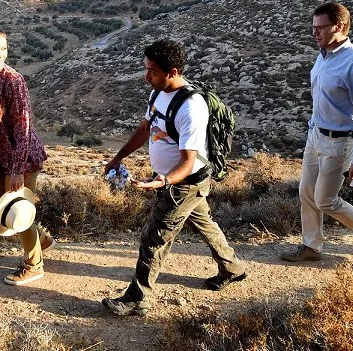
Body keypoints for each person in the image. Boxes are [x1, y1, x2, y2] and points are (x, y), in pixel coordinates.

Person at [101, 39, 246, 316]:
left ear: (173, 71)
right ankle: (233, 268)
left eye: (152, 72)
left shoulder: (191, 108)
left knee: (154, 238)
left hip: (184, 183)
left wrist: (164, 181)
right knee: (204, 223)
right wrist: (118, 157)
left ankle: (138, 298)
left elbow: (188, 162)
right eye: (146, 69)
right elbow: (145, 129)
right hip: (173, 180)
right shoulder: (159, 94)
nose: (146, 77)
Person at [279, 2, 353, 262]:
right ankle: (312, 246)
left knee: (325, 200)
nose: (315, 33)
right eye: (313, 28)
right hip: (316, 136)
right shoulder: (323, 55)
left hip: (340, 143)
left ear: (339, 26)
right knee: (306, 193)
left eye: (321, 28)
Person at [0, 23, 55, 285]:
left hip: (22, 158)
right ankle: (42, 239)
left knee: (17, 211)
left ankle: (34, 265)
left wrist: (17, 168)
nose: (0, 55)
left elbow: (23, 126)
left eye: (3, 49)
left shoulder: (12, 80)